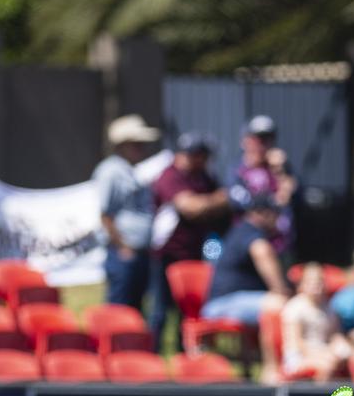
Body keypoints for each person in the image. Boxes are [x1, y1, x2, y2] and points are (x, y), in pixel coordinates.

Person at [148, 132, 232, 347]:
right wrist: (214, 202)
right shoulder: (170, 176)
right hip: (168, 255)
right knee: (161, 309)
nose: (202, 161)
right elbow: (191, 208)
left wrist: (209, 202)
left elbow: (227, 198)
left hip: (194, 253)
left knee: (187, 309)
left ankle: (182, 357)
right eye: (198, 155)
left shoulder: (203, 176)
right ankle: (153, 356)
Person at [201, 192, 290, 381]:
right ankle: (272, 372)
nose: (278, 220)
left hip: (236, 301)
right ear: (262, 213)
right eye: (275, 214)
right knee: (280, 305)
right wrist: (282, 290)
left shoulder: (241, 230)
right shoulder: (250, 233)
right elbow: (262, 253)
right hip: (221, 305)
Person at [95, 114, 161, 310]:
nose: (142, 148)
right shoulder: (111, 171)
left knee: (135, 309)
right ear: (122, 145)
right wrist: (123, 246)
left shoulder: (130, 170)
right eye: (136, 144)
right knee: (120, 309)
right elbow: (106, 215)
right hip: (123, 253)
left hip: (138, 252)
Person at [235, 115, 297, 259]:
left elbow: (288, 198)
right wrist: (270, 203)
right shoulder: (238, 170)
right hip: (251, 247)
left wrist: (281, 171)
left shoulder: (281, 169)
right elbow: (240, 202)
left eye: (268, 139)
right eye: (257, 139)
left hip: (281, 246)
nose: (263, 145)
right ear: (246, 141)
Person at [280, 263, 351, 381]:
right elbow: (296, 342)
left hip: (325, 351)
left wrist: (342, 349)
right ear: (302, 284)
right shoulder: (294, 307)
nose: (316, 285)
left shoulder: (329, 307)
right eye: (311, 282)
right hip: (298, 356)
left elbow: (335, 334)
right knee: (326, 366)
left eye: (319, 281)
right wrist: (323, 355)